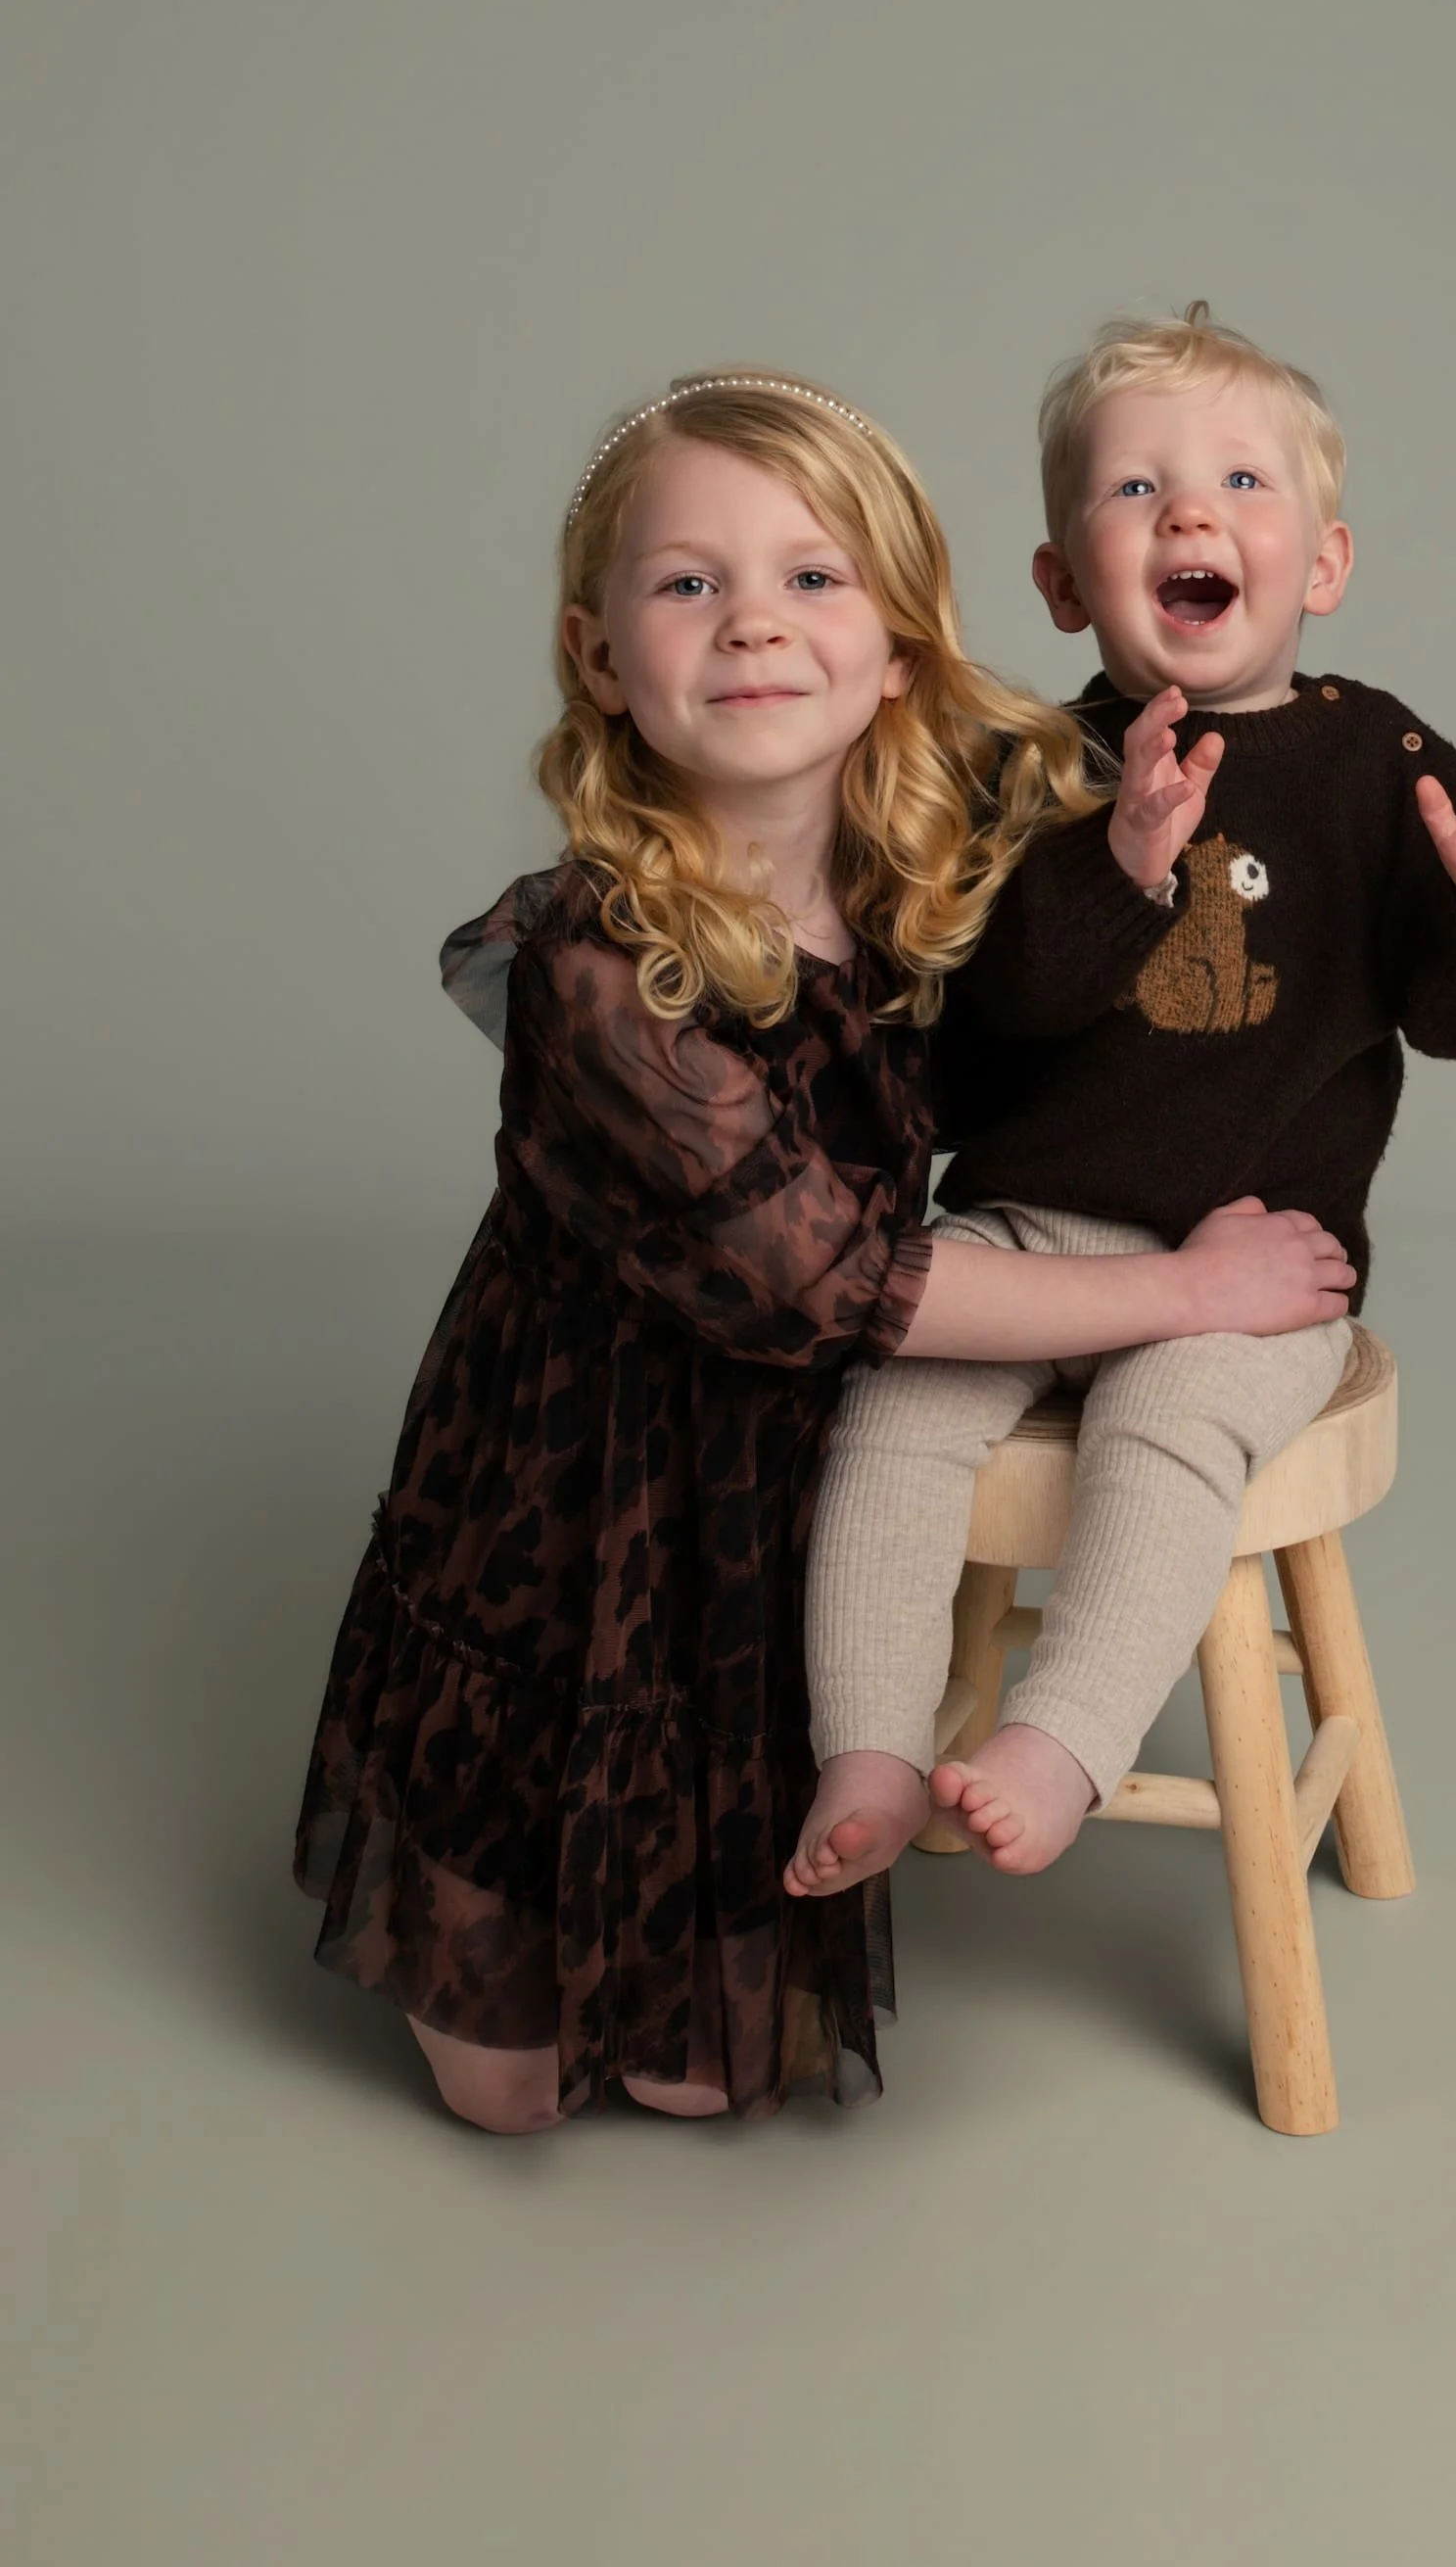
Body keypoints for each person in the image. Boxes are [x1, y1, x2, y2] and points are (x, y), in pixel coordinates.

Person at [293, 367, 1354, 2131]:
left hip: (791, 1459)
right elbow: (842, 1277)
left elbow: (1210, 811)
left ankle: (825, 1776)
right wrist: (1178, 1290)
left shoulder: (930, 876)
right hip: (580, 1481)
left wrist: (1448, 907)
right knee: (508, 2087)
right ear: (596, 651)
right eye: (687, 583)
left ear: (898, 646)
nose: (754, 624)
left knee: (709, 2079)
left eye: (811, 578)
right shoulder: (590, 965)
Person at [790, 305, 1456, 1891]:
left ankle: (1067, 1730)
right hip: (1031, 1227)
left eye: (1242, 481)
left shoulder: (1376, 760)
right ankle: (872, 1747)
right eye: (1134, 492)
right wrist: (1116, 868)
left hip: (1260, 1263)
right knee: (888, 1414)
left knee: (1167, 1430)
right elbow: (974, 1020)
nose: (1189, 514)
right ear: (1059, 580)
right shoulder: (1028, 764)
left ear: (1322, 562)